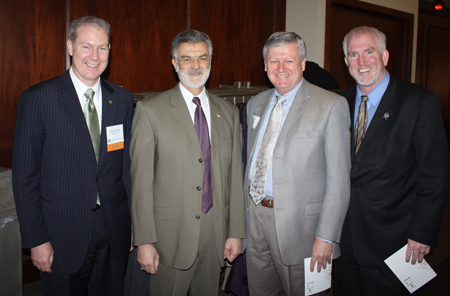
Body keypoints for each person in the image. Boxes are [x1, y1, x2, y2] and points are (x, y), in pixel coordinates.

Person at [12, 16, 134, 295]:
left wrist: (131, 227)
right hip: (61, 236)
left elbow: (124, 169)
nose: (94, 56)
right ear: (69, 46)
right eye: (86, 46)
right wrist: (36, 239)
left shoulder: (122, 100)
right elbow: (24, 178)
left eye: (102, 48)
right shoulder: (39, 99)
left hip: (113, 231)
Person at [333, 26, 450, 296]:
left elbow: (434, 176)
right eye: (353, 54)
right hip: (344, 239)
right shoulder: (337, 103)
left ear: (385, 56)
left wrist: (423, 232)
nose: (361, 62)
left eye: (369, 52)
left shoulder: (419, 102)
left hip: (394, 241)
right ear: (346, 61)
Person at [130, 29, 246, 295]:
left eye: (202, 58)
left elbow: (234, 178)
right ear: (174, 63)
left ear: (211, 61)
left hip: (215, 233)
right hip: (168, 238)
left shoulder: (228, 113)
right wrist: (145, 241)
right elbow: (141, 183)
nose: (195, 66)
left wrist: (236, 231)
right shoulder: (150, 111)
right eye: (187, 59)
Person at [244, 31, 351, 296]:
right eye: (273, 61)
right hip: (255, 218)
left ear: (303, 63)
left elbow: (339, 180)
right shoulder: (255, 104)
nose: (280, 68)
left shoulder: (331, 105)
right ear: (265, 65)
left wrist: (326, 237)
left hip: (303, 230)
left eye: (288, 61)